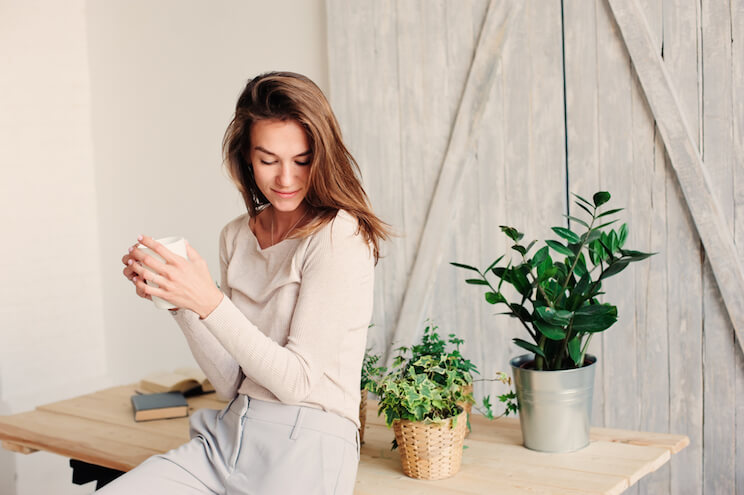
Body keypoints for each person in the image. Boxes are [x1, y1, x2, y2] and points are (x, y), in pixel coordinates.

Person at [106, 71, 388, 495]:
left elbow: (296, 382)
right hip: (227, 439)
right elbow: (229, 381)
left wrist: (209, 301)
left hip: (306, 445)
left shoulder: (338, 235)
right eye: (268, 160)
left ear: (323, 156)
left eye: (302, 159)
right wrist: (179, 300)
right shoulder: (236, 235)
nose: (286, 179)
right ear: (246, 157)